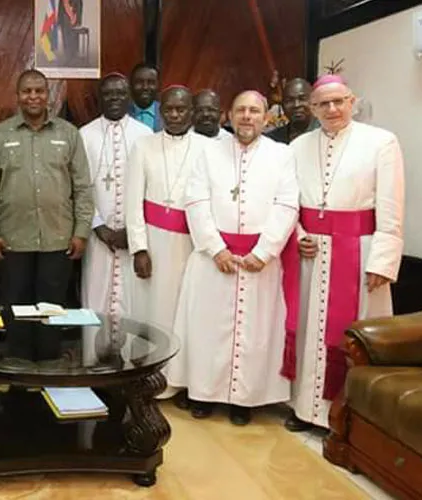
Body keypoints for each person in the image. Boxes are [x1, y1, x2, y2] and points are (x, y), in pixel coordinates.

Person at [284, 75, 404, 432]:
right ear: (312, 108)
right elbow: (289, 203)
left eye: (339, 101)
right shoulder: (297, 146)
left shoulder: (381, 142)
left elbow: (391, 208)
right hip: (313, 255)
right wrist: (299, 233)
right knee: (309, 330)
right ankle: (305, 409)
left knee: (357, 334)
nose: (332, 109)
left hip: (361, 253)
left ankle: (352, 415)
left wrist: (383, 261)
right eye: (323, 104)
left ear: (352, 101)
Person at [175, 90, 299, 425]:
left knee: (255, 333)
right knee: (207, 330)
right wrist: (216, 249)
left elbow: (287, 204)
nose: (247, 116)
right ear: (228, 116)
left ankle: (244, 400)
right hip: (214, 258)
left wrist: (265, 251)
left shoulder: (282, 155)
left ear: (266, 117)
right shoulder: (208, 152)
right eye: (241, 110)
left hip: (260, 262)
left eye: (254, 111)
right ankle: (202, 393)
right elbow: (195, 200)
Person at [0, 69, 93, 359]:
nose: (33, 96)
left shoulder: (69, 134)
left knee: (52, 311)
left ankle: (49, 368)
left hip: (58, 240)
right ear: (17, 96)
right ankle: (19, 372)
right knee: (16, 310)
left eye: (39, 91)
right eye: (27, 91)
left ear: (48, 95)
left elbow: (82, 188)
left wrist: (81, 232)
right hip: (12, 241)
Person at [125, 85, 208, 402]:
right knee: (153, 311)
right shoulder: (143, 146)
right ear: (161, 112)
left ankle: (184, 380)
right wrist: (139, 248)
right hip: (155, 244)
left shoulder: (207, 148)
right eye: (169, 110)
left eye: (181, 109)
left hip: (193, 244)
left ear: (192, 112)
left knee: (189, 313)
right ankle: (149, 376)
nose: (174, 115)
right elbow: (134, 201)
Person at [79, 73, 151, 322]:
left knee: (134, 301)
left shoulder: (144, 135)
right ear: (99, 98)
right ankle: (92, 358)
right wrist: (99, 226)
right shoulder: (84, 135)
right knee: (95, 297)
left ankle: (133, 360)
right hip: (98, 236)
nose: (114, 99)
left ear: (128, 96)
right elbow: (79, 187)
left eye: (120, 93)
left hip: (135, 237)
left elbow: (150, 188)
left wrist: (132, 231)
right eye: (108, 94)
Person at [267, 78, 318, 144]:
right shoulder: (272, 140)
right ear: (282, 105)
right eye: (289, 100)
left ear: (314, 102)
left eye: (302, 99)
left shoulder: (327, 133)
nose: (296, 105)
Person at [128, 63, 163, 132]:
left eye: (151, 82)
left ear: (159, 85)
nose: (145, 87)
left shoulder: (166, 113)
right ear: (131, 85)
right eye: (139, 82)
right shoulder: (122, 113)